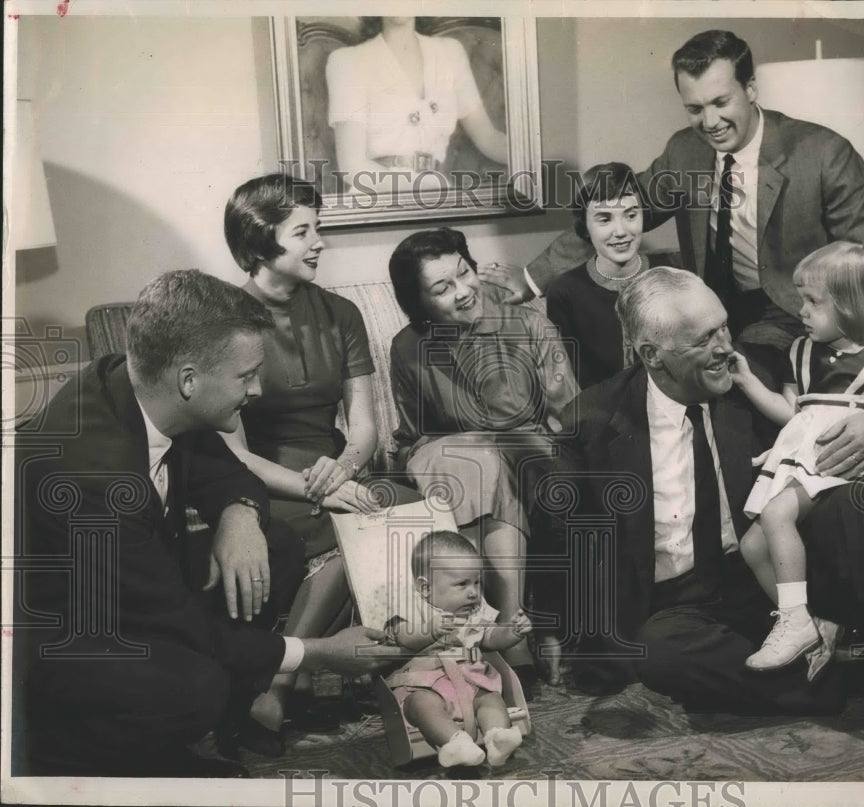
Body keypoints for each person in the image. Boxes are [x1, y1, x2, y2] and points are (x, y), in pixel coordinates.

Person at [483, 29, 864, 483]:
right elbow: (611, 207)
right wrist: (531, 277)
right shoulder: (685, 153)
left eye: (721, 102)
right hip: (725, 316)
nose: (710, 122)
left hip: (817, 315)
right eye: (695, 108)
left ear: (751, 89)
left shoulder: (823, 154)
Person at [13, 270, 404, 777]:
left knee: (277, 546)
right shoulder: (94, 479)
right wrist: (319, 654)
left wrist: (239, 515)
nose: (257, 389)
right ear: (190, 380)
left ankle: (229, 715)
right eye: (246, 376)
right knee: (198, 686)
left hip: (137, 588)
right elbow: (173, 621)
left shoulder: (134, 383)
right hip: (63, 642)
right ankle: (136, 759)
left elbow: (223, 468)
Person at [535, 266, 864, 712]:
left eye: (724, 327)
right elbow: (559, 532)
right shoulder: (591, 421)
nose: (725, 347)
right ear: (653, 355)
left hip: (768, 573)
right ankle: (847, 679)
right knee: (660, 653)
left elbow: (852, 396)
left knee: (852, 503)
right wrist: (551, 627)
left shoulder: (754, 377)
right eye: (704, 338)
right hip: (677, 603)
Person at [222, 173, 419, 751]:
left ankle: (294, 685)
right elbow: (235, 453)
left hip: (337, 471)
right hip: (263, 482)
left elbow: (364, 427)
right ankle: (283, 686)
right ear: (261, 242)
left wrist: (345, 469)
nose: (319, 243)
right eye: (303, 232)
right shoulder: (226, 320)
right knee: (351, 523)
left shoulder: (341, 313)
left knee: (408, 509)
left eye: (318, 228)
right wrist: (317, 489)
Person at [388, 227, 579, 688]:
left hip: (525, 451)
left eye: (464, 273)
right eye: (442, 287)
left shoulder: (529, 325)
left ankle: (512, 631)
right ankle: (512, 633)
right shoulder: (408, 347)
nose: (463, 290)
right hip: (448, 454)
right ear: (418, 303)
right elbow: (413, 434)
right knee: (479, 462)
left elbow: (570, 416)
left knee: (514, 466)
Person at [730, 241, 864, 671]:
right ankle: (811, 621)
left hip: (847, 463)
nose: (800, 310)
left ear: (853, 305)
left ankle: (794, 621)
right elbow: (791, 413)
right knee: (752, 545)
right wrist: (747, 382)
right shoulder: (800, 352)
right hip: (805, 459)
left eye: (813, 301)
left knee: (776, 514)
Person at [384, 531, 531, 768]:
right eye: (462, 584)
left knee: (491, 700)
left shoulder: (474, 611)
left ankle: (497, 737)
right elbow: (403, 638)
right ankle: (455, 743)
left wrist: (512, 633)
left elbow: (490, 637)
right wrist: (429, 631)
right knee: (421, 705)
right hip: (424, 685)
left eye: (477, 582)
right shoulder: (409, 609)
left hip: (471, 682)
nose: (473, 592)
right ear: (425, 588)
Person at [327, 16, 507, 194]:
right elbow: (352, 167)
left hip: (437, 193)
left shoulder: (450, 53)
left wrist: (526, 156)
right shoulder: (348, 61)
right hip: (379, 194)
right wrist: (422, 189)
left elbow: (489, 138)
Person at [546, 162, 658, 389]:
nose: (621, 231)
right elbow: (570, 381)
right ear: (585, 226)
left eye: (631, 215)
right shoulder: (564, 293)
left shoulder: (671, 275)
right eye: (605, 219)